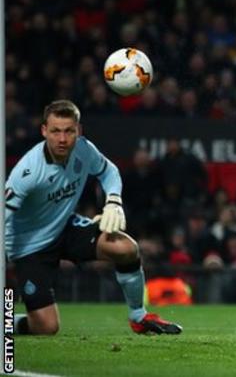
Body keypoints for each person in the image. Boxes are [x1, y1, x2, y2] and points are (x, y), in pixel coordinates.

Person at [5, 100, 182, 335]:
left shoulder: (84, 150)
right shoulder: (27, 172)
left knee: (126, 249)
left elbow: (108, 171)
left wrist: (114, 201)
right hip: (29, 246)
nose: (62, 139)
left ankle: (139, 317)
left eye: (69, 131)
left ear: (78, 130)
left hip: (64, 228)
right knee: (46, 327)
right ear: (44, 131)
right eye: (56, 131)